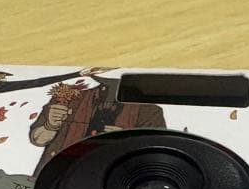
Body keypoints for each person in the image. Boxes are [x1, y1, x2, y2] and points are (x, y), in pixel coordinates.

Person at [28, 74, 165, 176]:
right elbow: (38, 140)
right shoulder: (70, 97)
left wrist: (124, 141)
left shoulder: (149, 111)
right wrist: (51, 125)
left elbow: (155, 155)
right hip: (59, 174)